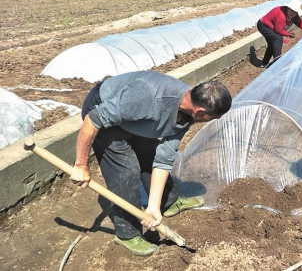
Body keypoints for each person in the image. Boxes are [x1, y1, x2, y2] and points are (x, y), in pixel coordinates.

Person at [70, 71, 232, 256]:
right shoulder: (148, 96)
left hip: (136, 118)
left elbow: (164, 158)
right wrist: (81, 165)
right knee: (125, 170)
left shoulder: (188, 112)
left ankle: (167, 202)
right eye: (211, 119)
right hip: (104, 110)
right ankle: (127, 233)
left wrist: (153, 205)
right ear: (201, 111)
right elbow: (93, 120)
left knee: (150, 152)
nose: (207, 122)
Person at [256, 0, 302, 68]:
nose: (292, 13)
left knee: (272, 43)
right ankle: (277, 62)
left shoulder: (294, 16)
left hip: (271, 27)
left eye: (295, 12)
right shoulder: (281, 14)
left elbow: (301, 24)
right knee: (277, 38)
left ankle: (264, 63)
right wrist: (289, 34)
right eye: (291, 10)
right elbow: (278, 30)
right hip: (264, 25)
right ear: (288, 8)